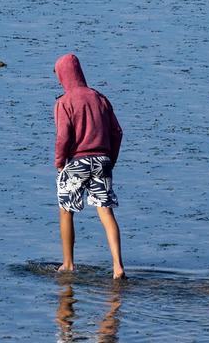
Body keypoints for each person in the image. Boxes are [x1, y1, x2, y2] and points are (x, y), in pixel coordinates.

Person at [54, 53, 126, 279]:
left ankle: (68, 263)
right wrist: (110, 160)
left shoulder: (64, 102)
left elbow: (63, 137)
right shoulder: (100, 98)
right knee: (106, 212)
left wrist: (59, 162)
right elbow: (117, 132)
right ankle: (118, 267)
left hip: (78, 161)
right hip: (103, 160)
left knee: (66, 210)